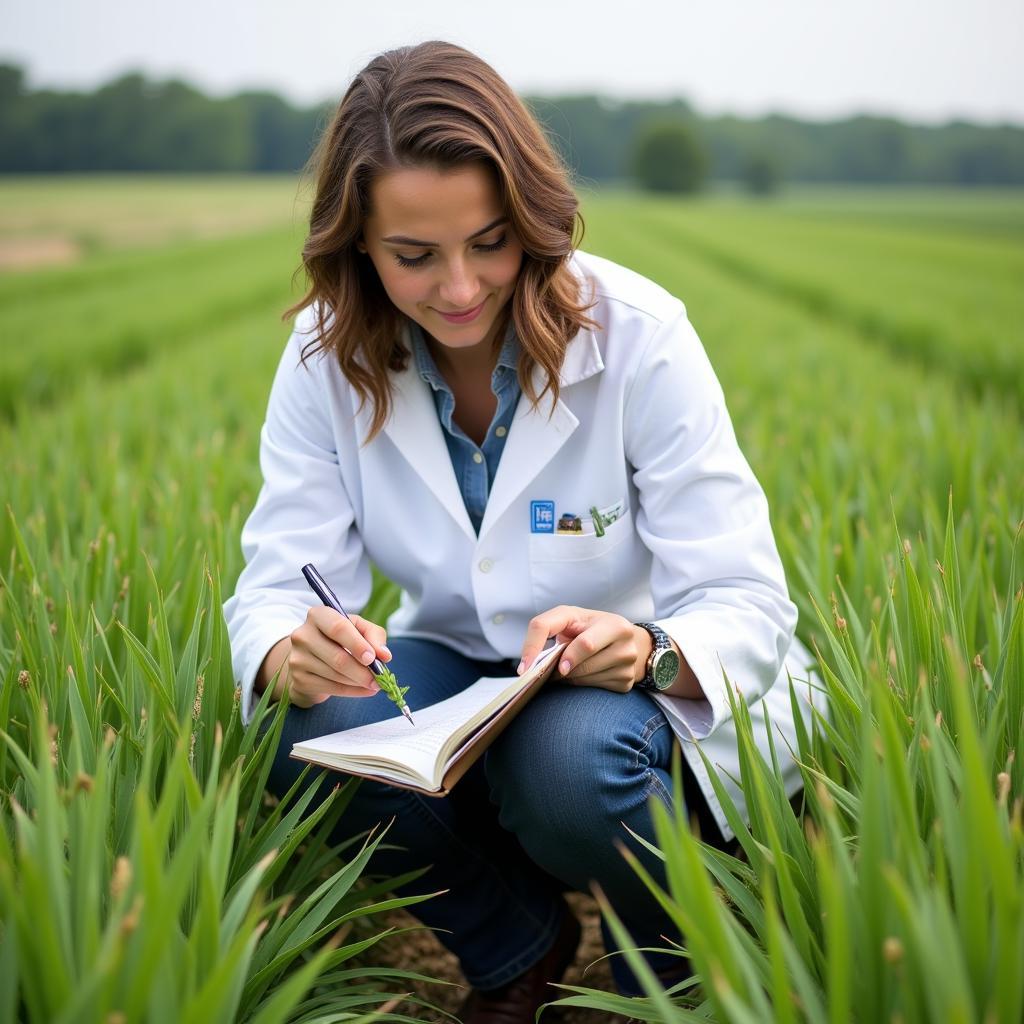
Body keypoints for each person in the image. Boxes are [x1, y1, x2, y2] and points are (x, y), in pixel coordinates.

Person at [222, 40, 820, 1024]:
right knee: (312, 726)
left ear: (533, 221)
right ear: (357, 246)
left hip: (623, 692)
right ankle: (515, 941)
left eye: (490, 242)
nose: (457, 287)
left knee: (568, 763)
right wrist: (289, 644)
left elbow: (748, 597)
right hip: (461, 662)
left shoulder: (638, 334)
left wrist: (651, 646)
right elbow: (280, 577)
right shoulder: (323, 355)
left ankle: (670, 957)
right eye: (413, 256)